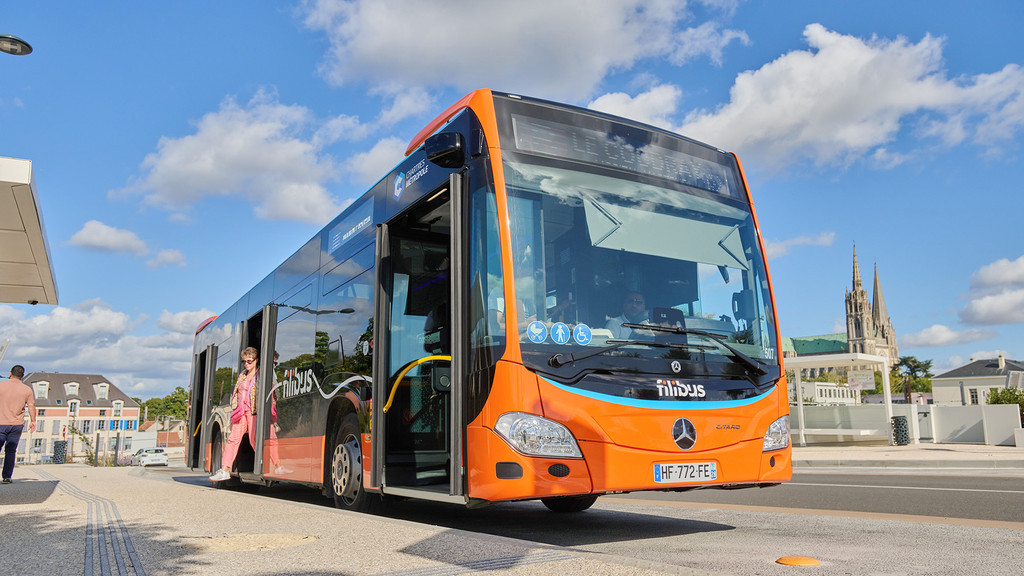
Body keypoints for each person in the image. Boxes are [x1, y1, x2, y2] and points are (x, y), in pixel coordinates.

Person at [210, 348, 261, 482]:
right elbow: (236, 394)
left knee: (254, 440)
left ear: (256, 361)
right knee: (233, 440)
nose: (246, 364)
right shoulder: (242, 375)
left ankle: (269, 463)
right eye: (244, 361)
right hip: (241, 413)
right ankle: (224, 470)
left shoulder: (260, 375)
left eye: (249, 361)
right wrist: (235, 409)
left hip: (254, 411)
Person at [0, 365, 36, 484]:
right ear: (22, 376)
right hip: (16, 424)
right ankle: (6, 477)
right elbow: (31, 406)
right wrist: (33, 421)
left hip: (0, 423)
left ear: (10, 373)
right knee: (10, 451)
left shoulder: (1, 386)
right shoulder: (27, 390)